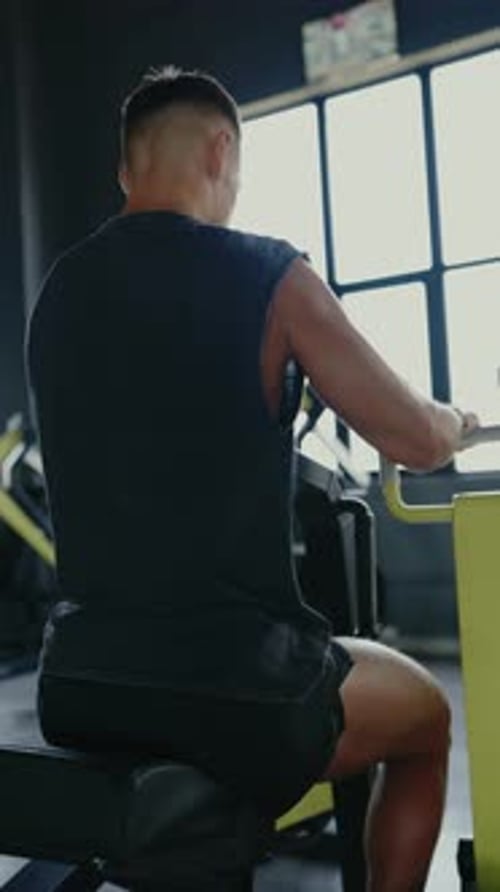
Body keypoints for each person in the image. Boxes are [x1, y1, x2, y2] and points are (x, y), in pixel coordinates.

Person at [27, 66, 478, 892]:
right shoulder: (267, 272)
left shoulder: (59, 292)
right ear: (221, 152)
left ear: (125, 170)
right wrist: (456, 420)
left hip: (81, 683)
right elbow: (414, 438)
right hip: (233, 690)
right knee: (427, 721)